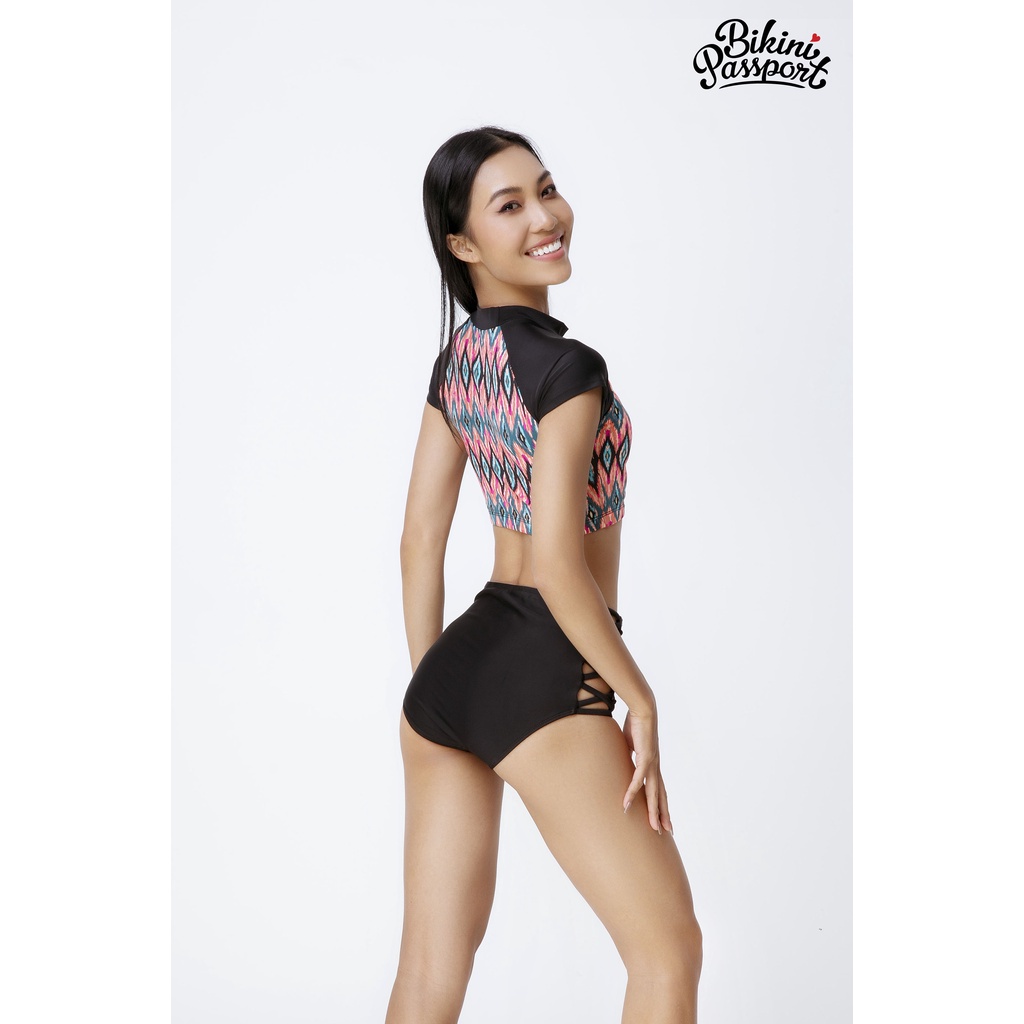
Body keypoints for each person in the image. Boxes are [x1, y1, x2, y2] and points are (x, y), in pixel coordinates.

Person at [387, 126, 702, 1024]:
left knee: (429, 973)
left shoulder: (460, 362)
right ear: (463, 244)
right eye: (510, 205)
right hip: (546, 661)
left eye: (547, 189)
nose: (545, 216)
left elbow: (417, 540)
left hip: (452, 672)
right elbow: (560, 563)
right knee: (667, 954)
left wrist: (437, 690)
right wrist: (639, 697)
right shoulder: (569, 367)